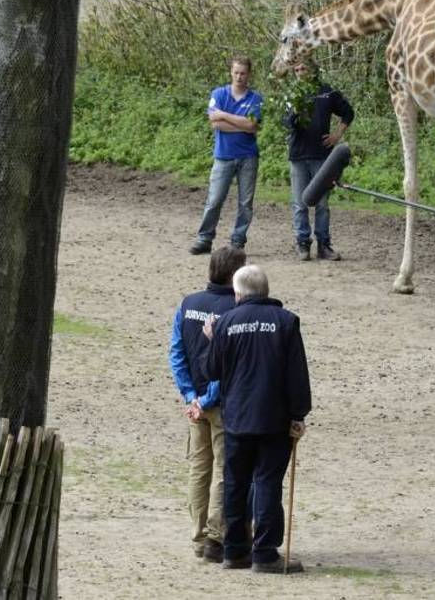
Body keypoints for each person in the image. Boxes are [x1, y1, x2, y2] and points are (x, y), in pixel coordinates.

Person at [201, 265, 311, 574]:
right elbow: (297, 374)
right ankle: (264, 552)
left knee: (235, 484)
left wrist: (212, 340)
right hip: (274, 419)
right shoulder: (286, 322)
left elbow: (212, 372)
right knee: (266, 482)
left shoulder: (226, 324)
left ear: (237, 293)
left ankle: (235, 551)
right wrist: (298, 414)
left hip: (236, 417)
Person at [169, 246, 247, 563]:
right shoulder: (235, 311)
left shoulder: (188, 304)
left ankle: (198, 535)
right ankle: (217, 535)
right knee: (224, 470)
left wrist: (190, 397)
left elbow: (176, 354)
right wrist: (207, 398)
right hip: (222, 403)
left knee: (198, 469)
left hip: (195, 406)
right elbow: (226, 364)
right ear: (234, 276)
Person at [190, 56, 264, 255]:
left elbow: (252, 126)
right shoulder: (219, 94)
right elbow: (215, 124)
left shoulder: (256, 98)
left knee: (245, 203)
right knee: (214, 200)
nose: (239, 77)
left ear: (249, 74)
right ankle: (205, 238)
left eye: (243, 73)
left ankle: (238, 240)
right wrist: (238, 123)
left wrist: (224, 115)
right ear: (231, 72)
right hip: (223, 155)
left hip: (248, 156)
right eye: (236, 72)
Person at [282, 58, 353, 262]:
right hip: (298, 154)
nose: (301, 72)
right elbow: (286, 123)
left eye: (304, 67)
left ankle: (324, 245)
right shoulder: (291, 95)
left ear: (313, 70)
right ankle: (302, 243)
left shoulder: (326, 91)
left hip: (322, 155)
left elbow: (348, 112)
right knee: (299, 202)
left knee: (322, 203)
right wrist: (294, 112)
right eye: (297, 69)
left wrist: (337, 135)